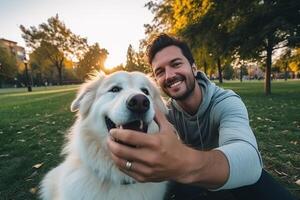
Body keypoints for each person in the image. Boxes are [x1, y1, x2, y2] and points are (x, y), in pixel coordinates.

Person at [107, 34, 295, 200]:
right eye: (160, 72)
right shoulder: (163, 112)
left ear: (194, 68)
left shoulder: (225, 101)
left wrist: (182, 163)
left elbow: (249, 160)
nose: (170, 75)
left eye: (176, 64)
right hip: (190, 182)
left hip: (232, 178)